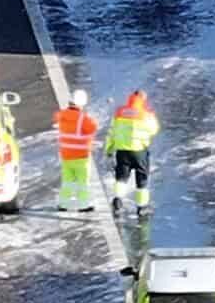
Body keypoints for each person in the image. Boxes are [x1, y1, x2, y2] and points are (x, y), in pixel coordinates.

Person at [105, 87, 160, 216]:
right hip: (139, 151)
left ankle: (117, 201)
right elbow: (154, 130)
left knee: (121, 178)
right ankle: (141, 207)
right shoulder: (145, 114)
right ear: (143, 99)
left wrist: (109, 149)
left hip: (122, 151)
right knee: (142, 180)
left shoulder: (120, 112)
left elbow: (112, 132)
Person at [53, 88, 99, 212]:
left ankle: (63, 204)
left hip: (66, 155)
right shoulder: (83, 119)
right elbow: (93, 128)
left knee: (67, 181)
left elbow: (57, 116)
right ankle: (83, 205)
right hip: (80, 156)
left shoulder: (62, 115)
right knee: (82, 182)